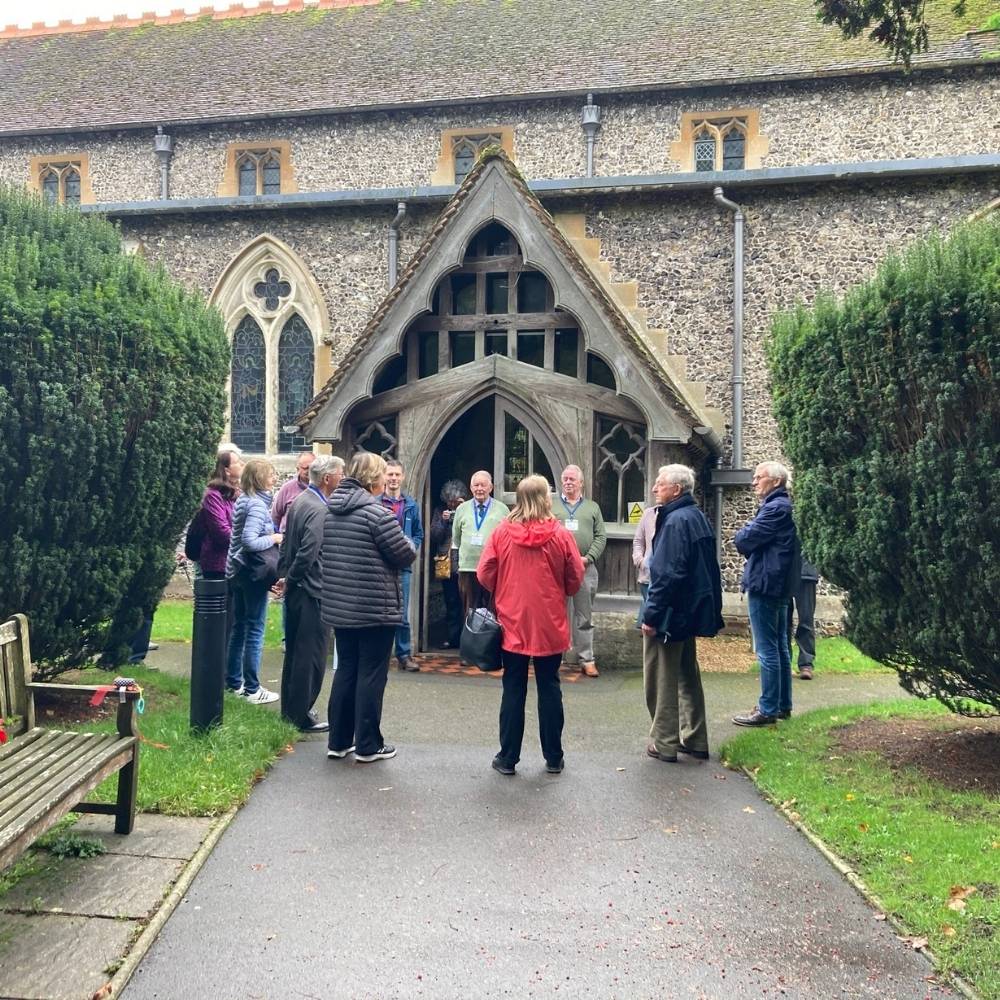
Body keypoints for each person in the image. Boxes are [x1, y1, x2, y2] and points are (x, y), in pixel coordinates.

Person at [477, 475, 584, 776]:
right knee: (549, 687)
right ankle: (554, 757)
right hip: (549, 622)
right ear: (546, 499)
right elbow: (575, 578)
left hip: (512, 621)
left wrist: (504, 588)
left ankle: (508, 758)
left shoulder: (501, 533)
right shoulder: (561, 535)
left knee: (513, 687)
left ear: (519, 500)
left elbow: (484, 573)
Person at [323, 452, 416, 762]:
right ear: (373, 479)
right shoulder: (376, 515)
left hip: (342, 606)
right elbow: (404, 554)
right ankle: (367, 744)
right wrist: (411, 542)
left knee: (347, 669)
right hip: (376, 608)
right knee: (372, 674)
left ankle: (338, 741)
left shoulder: (331, 511)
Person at [639, 465, 723, 761]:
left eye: (659, 484)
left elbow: (666, 574)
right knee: (688, 675)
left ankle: (664, 742)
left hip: (670, 613)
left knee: (660, 678)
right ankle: (696, 738)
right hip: (688, 611)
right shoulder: (696, 517)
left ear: (676, 489)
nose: (654, 489)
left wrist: (651, 615)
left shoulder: (675, 522)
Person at [275, 455, 345, 732]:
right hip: (312, 591)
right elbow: (308, 551)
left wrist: (284, 577)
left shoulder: (302, 501)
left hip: (298, 590)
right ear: (328, 479)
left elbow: (285, 544)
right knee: (311, 656)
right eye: (340, 474)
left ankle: (290, 710)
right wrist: (290, 579)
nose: (343, 478)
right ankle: (301, 714)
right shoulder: (318, 508)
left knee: (294, 652)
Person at [732, 461, 800, 727]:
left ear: (775, 481)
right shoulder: (783, 507)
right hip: (779, 585)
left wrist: (746, 536)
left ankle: (768, 708)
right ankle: (782, 705)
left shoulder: (775, 509)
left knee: (767, 648)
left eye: (758, 477)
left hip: (766, 584)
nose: (754, 482)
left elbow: (744, 539)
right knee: (780, 646)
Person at [225, 458, 282, 705]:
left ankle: (233, 682)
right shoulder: (257, 505)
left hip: (237, 571)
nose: (274, 478)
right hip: (251, 573)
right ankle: (252, 688)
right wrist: (275, 538)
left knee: (239, 628)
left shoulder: (244, 500)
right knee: (255, 629)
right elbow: (249, 541)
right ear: (259, 478)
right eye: (270, 475)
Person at [552, 464, 606, 677]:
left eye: (572, 479)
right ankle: (553, 657)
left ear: (581, 483)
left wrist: (587, 557)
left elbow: (601, 536)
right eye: (565, 479)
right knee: (556, 615)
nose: (567, 482)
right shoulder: (552, 506)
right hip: (558, 569)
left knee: (584, 616)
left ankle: (587, 659)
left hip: (585, 568)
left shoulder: (592, 508)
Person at [380, 459, 424, 672]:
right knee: (379, 610)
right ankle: (380, 653)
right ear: (384, 476)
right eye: (390, 474)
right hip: (379, 565)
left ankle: (404, 655)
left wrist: (411, 548)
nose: (394, 478)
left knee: (402, 612)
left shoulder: (411, 505)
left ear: (403, 477)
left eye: (397, 475)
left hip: (403, 566)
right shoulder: (375, 503)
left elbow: (418, 534)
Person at [451, 470, 508, 616]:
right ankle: (470, 639)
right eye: (476, 485)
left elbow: (508, 539)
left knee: (492, 612)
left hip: (493, 569)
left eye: (483, 485)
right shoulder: (461, 509)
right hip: (468, 569)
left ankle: (492, 640)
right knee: (469, 611)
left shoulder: (502, 510)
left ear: (491, 487)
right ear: (471, 488)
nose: (479, 488)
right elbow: (456, 539)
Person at [429, 479, 467, 649]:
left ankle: (468, 641)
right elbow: (434, 536)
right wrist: (445, 521)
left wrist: (462, 512)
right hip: (447, 563)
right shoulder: (440, 511)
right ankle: (453, 639)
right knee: (451, 602)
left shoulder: (468, 509)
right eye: (449, 501)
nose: (452, 505)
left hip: (466, 564)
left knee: (467, 602)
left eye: (455, 501)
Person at [789, 558, 819, 680]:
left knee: (806, 619)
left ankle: (806, 664)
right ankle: (784, 663)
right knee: (783, 621)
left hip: (806, 571)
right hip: (784, 571)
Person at [631, 502, 658, 628]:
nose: (655, 489)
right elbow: (638, 541)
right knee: (647, 626)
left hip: (666, 579)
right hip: (647, 578)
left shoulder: (676, 516)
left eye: (661, 485)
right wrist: (640, 561)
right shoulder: (648, 514)